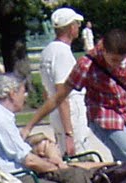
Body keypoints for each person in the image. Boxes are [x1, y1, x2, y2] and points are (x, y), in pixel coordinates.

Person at [24, 27, 126, 165]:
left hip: (124, 114)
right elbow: (59, 97)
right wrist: (29, 126)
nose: (117, 64)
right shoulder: (87, 64)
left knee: (125, 167)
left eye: (121, 60)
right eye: (114, 60)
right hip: (103, 117)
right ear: (104, 51)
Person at [39, 8, 91, 157]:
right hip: (71, 114)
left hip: (57, 113)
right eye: (77, 24)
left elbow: (46, 90)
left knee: (66, 155)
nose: (78, 27)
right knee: (80, 156)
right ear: (71, 27)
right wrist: (69, 133)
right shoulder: (62, 53)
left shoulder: (47, 51)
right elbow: (62, 94)